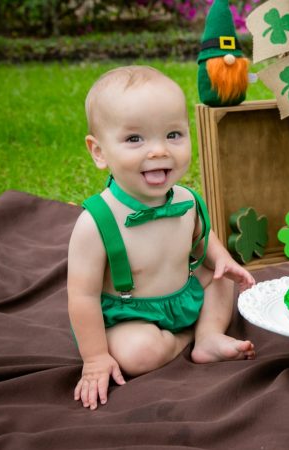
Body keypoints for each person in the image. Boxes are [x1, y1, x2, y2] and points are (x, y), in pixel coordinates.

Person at [68, 65, 256, 411]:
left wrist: (222, 257)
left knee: (219, 277)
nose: (158, 151)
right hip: (130, 313)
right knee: (140, 355)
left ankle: (209, 336)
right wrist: (95, 358)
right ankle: (188, 337)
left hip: (181, 293)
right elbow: (82, 296)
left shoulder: (185, 200)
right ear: (99, 152)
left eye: (173, 135)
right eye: (134, 139)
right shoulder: (96, 222)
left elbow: (202, 238)